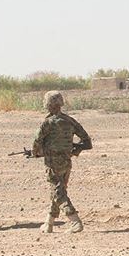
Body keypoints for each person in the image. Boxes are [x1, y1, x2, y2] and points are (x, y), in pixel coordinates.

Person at [32, 91, 92, 234]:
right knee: (58, 190)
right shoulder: (70, 121)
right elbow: (87, 143)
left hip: (53, 162)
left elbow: (36, 143)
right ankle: (49, 223)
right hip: (66, 161)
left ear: (47, 104)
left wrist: (36, 153)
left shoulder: (47, 123)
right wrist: (72, 150)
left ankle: (75, 220)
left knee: (57, 192)